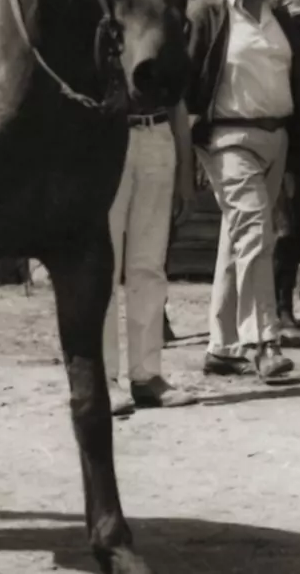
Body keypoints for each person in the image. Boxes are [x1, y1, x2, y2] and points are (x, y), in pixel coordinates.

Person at [183, 0, 300, 381]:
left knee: (239, 240)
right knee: (256, 232)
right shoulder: (208, 13)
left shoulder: (278, 16)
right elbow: (187, 80)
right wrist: (190, 141)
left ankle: (220, 346)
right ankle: (262, 342)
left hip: (276, 139)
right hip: (228, 140)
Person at [101, 99, 200, 416]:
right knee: (104, 266)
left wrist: (186, 172)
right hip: (106, 131)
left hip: (157, 132)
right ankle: (102, 379)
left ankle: (147, 375)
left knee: (149, 264)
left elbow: (178, 101)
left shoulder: (167, 47)